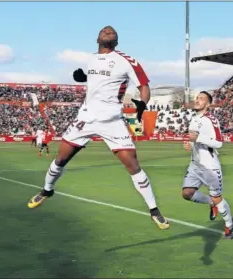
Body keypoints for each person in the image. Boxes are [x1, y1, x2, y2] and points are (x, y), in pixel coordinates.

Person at [27, 25, 169, 230]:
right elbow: (98, 81)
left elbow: (144, 86)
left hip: (112, 121)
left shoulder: (127, 61)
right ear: (97, 38)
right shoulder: (92, 59)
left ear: (117, 40)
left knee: (132, 164)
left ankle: (154, 210)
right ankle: (47, 190)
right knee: (61, 159)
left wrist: (142, 104)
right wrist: (83, 78)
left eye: (112, 32)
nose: (109, 32)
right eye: (105, 31)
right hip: (86, 118)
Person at [182, 91, 233, 239]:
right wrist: (189, 145)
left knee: (217, 197)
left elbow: (219, 142)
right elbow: (193, 141)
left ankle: (229, 225)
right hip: (195, 165)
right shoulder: (193, 119)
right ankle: (211, 203)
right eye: (197, 98)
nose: (197, 100)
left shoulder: (211, 119)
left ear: (208, 103)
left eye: (201, 98)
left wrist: (198, 138)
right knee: (187, 193)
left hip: (209, 166)